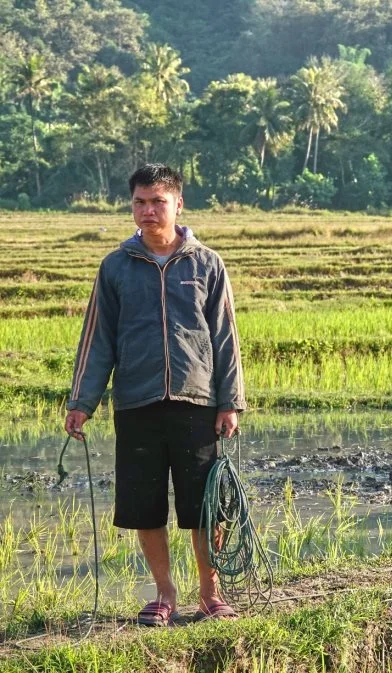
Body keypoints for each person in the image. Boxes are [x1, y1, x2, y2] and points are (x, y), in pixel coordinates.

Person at [63, 163, 246, 626]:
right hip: (137, 402)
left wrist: (230, 401)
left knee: (204, 505)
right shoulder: (116, 267)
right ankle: (164, 595)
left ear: (178, 204)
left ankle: (210, 592)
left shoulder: (206, 263)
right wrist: (82, 402)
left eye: (157, 202)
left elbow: (225, 337)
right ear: (132, 205)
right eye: (140, 202)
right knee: (144, 504)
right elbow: (97, 339)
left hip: (196, 401)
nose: (148, 211)